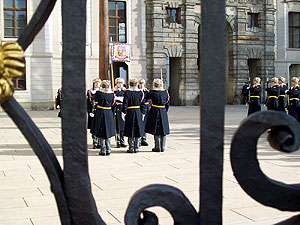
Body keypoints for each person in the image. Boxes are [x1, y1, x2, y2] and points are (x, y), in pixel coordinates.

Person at [90, 80, 115, 156]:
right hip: (108, 112)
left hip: (100, 112)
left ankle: (103, 149)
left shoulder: (99, 93)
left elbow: (93, 98)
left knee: (101, 131)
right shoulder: (112, 94)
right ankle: (108, 149)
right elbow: (113, 104)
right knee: (108, 131)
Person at [145, 78, 170, 152]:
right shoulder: (166, 93)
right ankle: (163, 146)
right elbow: (167, 104)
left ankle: (157, 146)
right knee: (163, 129)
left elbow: (145, 97)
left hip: (155, 110)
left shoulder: (152, 92)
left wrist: (146, 91)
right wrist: (165, 111)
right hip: (163, 110)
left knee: (156, 129)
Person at [123, 78, 146, 153]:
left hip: (130, 112)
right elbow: (143, 104)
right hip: (138, 111)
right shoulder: (140, 93)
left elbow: (125, 103)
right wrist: (143, 112)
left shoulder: (127, 92)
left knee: (130, 129)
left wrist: (124, 112)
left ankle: (131, 147)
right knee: (138, 129)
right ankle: (136, 147)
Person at [87, 78, 101, 149]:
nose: (97, 84)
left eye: (98, 83)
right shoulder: (90, 92)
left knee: (99, 127)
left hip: (99, 111)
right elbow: (88, 103)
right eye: (96, 83)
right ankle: (95, 142)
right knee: (93, 128)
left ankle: (99, 142)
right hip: (92, 111)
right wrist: (89, 112)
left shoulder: (102, 91)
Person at [114, 77, 126, 148]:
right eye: (119, 83)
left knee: (123, 126)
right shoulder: (114, 91)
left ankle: (122, 140)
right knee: (118, 126)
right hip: (117, 108)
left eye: (121, 83)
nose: (120, 84)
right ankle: (118, 141)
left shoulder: (125, 91)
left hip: (123, 109)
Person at [138, 78, 150, 146]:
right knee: (140, 123)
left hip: (146, 107)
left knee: (145, 123)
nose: (141, 85)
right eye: (140, 84)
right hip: (139, 108)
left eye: (142, 84)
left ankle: (144, 138)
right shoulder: (137, 91)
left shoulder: (146, 91)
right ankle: (139, 139)